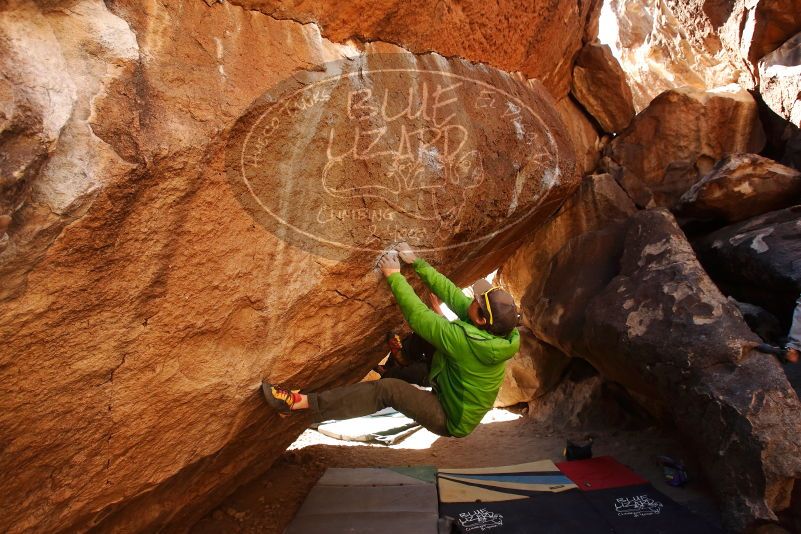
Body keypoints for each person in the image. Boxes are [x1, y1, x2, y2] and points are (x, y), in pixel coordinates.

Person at [261, 242, 521, 438]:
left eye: (478, 302)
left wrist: (393, 275)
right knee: (433, 338)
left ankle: (298, 404)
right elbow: (454, 295)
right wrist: (417, 263)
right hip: (450, 379)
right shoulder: (499, 330)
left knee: (389, 389)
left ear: (482, 320)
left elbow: (419, 317)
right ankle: (403, 357)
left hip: (450, 416)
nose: (472, 301)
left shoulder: (469, 342)